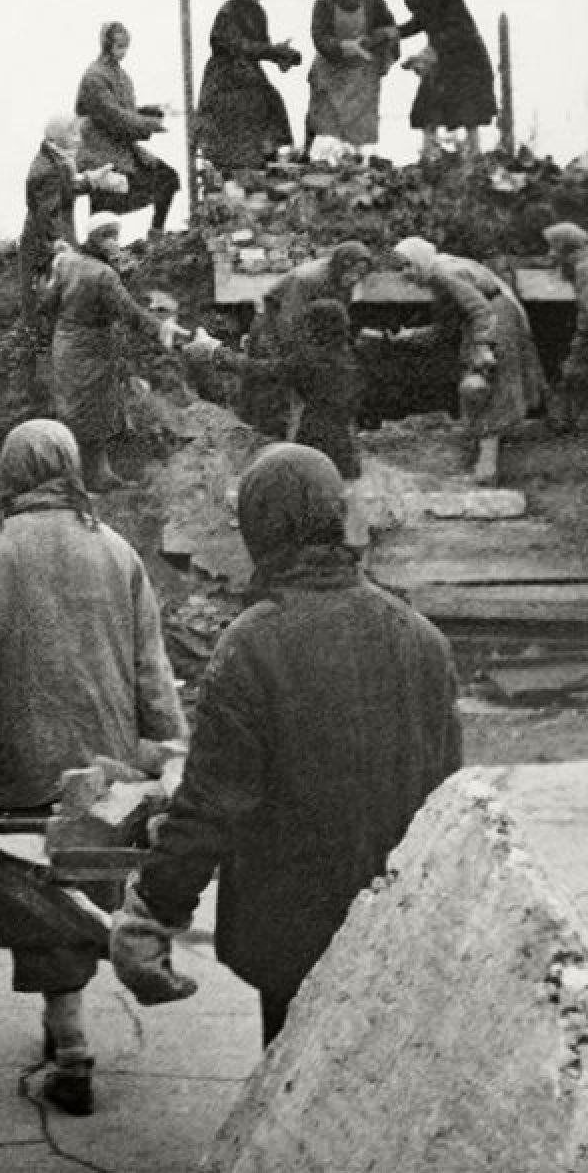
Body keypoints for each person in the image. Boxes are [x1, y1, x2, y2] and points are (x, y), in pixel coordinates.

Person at [110, 444, 461, 1045]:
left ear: (259, 529)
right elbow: (450, 801)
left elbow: (213, 804)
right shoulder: (422, 639)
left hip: (290, 931)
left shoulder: (252, 646)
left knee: (294, 1081)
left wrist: (151, 913)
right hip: (395, 920)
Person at [0, 418, 187, 1116]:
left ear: (12, 474)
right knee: (89, 897)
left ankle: (70, 1053)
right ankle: (60, 1034)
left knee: (42, 908)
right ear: (70, 469)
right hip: (108, 782)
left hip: (21, 775)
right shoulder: (118, 553)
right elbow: (153, 675)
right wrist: (173, 760)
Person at [384, 235, 544, 484]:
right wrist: (408, 336)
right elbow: (445, 328)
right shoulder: (437, 274)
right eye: (400, 268)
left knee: (486, 387)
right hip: (486, 322)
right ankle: (483, 458)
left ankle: (487, 466)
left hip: (495, 322)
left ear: (420, 260)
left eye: (408, 265)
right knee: (477, 387)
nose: (405, 273)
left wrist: (482, 347)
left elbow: (480, 309)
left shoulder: (445, 273)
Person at [41, 218, 186, 490]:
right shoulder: (103, 274)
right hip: (91, 345)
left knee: (77, 410)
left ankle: (93, 475)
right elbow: (129, 312)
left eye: (115, 235)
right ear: (94, 237)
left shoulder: (65, 263)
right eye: (107, 235)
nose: (114, 242)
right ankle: (82, 479)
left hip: (66, 344)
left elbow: (47, 304)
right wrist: (162, 329)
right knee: (89, 412)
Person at [240, 241, 373, 436]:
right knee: (272, 376)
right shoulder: (307, 279)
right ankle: (263, 432)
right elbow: (288, 320)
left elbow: (338, 318)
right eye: (352, 271)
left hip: (305, 324)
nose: (355, 278)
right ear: (341, 265)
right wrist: (300, 357)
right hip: (272, 322)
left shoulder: (344, 283)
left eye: (361, 274)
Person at [20, 114, 128, 328]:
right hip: (46, 250)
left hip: (51, 244)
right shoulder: (46, 170)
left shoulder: (54, 159)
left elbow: (66, 187)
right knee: (52, 312)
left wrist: (92, 180)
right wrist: (61, 246)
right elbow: (48, 214)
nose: (79, 139)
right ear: (58, 137)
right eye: (73, 133)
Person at [74, 22, 181, 237]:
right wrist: (149, 124)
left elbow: (127, 111)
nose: (123, 52)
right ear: (106, 45)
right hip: (100, 151)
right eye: (119, 46)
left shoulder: (121, 75)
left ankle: (156, 233)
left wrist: (156, 110)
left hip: (123, 149)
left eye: (126, 46)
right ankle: (98, 246)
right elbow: (112, 115)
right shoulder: (94, 76)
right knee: (104, 205)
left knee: (167, 179)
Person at [388, 0, 498, 158]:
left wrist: (428, 53)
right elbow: (422, 21)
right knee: (429, 102)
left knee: (469, 105)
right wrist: (396, 33)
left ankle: (473, 151)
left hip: (466, 53)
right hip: (440, 51)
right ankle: (430, 151)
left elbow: (459, 27)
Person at [194, 0, 302, 172]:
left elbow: (261, 45)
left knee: (271, 101)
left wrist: (281, 55)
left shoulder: (258, 12)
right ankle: (235, 163)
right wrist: (273, 50)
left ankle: (265, 157)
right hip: (225, 73)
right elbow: (237, 46)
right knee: (241, 107)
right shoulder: (228, 12)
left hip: (247, 69)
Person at [301, 0, 400, 157]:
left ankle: (360, 159)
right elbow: (319, 36)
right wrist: (342, 46)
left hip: (362, 68)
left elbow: (388, 24)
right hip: (332, 66)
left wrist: (379, 43)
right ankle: (312, 154)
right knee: (323, 115)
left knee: (361, 125)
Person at [285, 299, 362, 479]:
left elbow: (268, 371)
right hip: (344, 440)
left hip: (312, 436)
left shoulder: (307, 359)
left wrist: (224, 357)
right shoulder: (351, 358)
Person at [543, 221, 588, 430]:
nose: (551, 253)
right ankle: (574, 419)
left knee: (573, 373)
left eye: (553, 246)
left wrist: (582, 334)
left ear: (564, 247)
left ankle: (571, 420)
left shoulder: (583, 268)